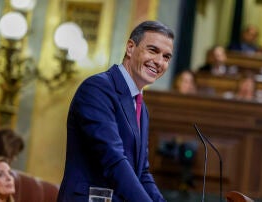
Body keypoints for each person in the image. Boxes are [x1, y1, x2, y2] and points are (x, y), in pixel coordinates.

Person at [57, 20, 174, 202]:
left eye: (166, 57)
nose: (159, 62)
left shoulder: (142, 108)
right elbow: (113, 159)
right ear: (130, 47)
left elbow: (141, 173)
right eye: (153, 50)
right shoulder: (97, 89)